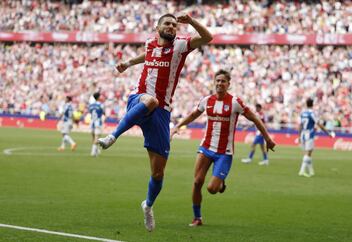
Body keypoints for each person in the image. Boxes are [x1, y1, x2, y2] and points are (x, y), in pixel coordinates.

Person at [97, 13, 213, 231]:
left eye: (174, 24)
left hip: (162, 112)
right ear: (157, 27)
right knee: (150, 99)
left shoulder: (180, 46)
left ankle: (148, 206)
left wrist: (191, 22)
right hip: (139, 98)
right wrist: (129, 63)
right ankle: (113, 135)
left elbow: (208, 38)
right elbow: (148, 56)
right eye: (167, 23)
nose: (171, 26)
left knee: (158, 173)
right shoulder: (150, 43)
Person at [170, 69, 276, 227]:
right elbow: (193, 115)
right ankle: (197, 218)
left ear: (228, 84)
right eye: (217, 81)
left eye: (223, 81)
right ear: (214, 82)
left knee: (212, 189)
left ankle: (221, 183)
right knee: (197, 182)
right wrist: (177, 126)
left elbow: (254, 118)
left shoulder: (235, 102)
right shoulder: (207, 100)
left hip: (224, 152)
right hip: (206, 147)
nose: (220, 83)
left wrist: (267, 138)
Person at [298, 98, 335, 177]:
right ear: (312, 104)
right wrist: (328, 133)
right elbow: (319, 124)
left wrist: (298, 136)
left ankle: (311, 171)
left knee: (308, 154)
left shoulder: (303, 113)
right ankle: (302, 171)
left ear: (306, 104)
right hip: (309, 134)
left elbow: (300, 125)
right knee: (308, 153)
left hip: (303, 134)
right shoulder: (312, 113)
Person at [88, 92, 104, 157]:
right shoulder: (100, 105)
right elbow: (102, 112)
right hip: (98, 122)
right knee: (97, 137)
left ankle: (96, 150)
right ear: (98, 97)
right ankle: (93, 151)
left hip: (92, 122)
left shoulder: (91, 105)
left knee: (93, 137)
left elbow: (90, 112)